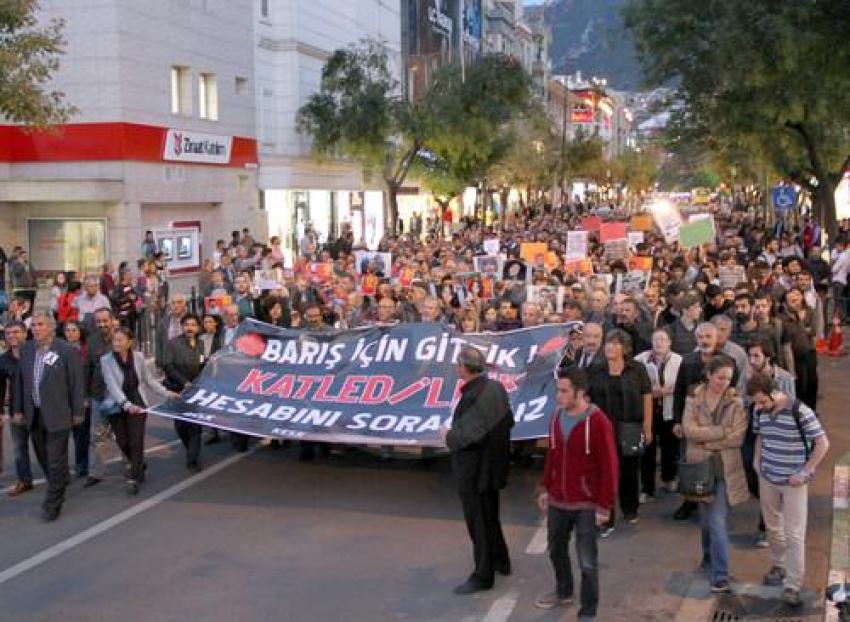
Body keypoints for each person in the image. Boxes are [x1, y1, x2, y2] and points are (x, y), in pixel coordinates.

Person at [534, 367, 618, 619]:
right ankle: (564, 591)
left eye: (563, 391)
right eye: (557, 390)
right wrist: (545, 488)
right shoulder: (556, 417)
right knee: (556, 549)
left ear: (580, 393)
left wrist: (605, 506)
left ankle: (588, 611)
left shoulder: (599, 422)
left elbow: (610, 467)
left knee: (587, 561)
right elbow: (553, 455)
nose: (558, 395)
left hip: (587, 503)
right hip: (559, 500)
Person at [748, 373, 830, 607]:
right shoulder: (759, 410)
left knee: (794, 533)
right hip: (768, 476)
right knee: (773, 527)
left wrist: (804, 472)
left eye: (762, 401)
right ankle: (779, 565)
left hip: (794, 482)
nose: (759, 406)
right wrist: (757, 460)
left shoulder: (799, 410)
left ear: (774, 392)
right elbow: (761, 436)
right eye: (756, 402)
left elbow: (823, 443)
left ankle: (793, 585)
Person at [442, 346, 514, 595]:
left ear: (464, 367)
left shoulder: (473, 396)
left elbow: (467, 436)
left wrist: (448, 435)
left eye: (458, 364)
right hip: (494, 467)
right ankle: (501, 560)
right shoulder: (496, 388)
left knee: (478, 523)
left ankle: (483, 574)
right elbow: (508, 421)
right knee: (490, 516)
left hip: (475, 471)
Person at [681, 355, 748, 594]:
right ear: (708, 375)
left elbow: (738, 437)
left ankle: (720, 575)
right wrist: (721, 432)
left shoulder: (736, 403)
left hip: (723, 469)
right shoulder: (694, 399)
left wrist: (707, 441)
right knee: (706, 518)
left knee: (717, 520)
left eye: (728, 379)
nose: (724, 382)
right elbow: (689, 430)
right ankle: (708, 558)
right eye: (720, 377)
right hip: (700, 467)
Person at [13, 311, 85, 521]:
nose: (36, 328)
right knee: (44, 458)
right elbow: (20, 382)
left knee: (55, 460)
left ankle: (53, 503)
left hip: (58, 414)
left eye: (40, 324)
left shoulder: (65, 351)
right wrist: (18, 409)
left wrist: (78, 411)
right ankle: (59, 481)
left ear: (52, 327)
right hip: (34, 414)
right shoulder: (26, 350)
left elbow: (76, 383)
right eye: (33, 325)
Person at [588, 329, 652, 533]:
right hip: (602, 428)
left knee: (629, 470)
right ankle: (606, 518)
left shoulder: (638, 369)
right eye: (608, 343)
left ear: (625, 349)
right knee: (603, 473)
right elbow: (586, 399)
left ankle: (630, 508)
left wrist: (647, 427)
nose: (610, 347)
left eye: (616, 344)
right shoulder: (595, 370)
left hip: (630, 426)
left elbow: (647, 396)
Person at [101, 327, 178, 494]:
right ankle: (139, 463)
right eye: (114, 340)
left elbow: (148, 380)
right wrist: (126, 405)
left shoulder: (138, 357)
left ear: (129, 342)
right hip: (118, 405)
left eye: (120, 340)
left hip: (138, 403)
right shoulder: (105, 360)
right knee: (123, 442)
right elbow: (112, 386)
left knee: (136, 441)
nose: (116, 343)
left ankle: (134, 477)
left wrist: (166, 393)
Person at [635, 329, 682, 501]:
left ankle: (669, 478)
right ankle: (648, 489)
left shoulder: (678, 361)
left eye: (663, 339)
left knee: (670, 448)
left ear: (669, 342)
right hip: (648, 411)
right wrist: (654, 393)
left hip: (669, 411)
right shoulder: (640, 360)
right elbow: (635, 386)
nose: (659, 343)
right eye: (656, 339)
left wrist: (670, 391)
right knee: (647, 450)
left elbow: (681, 385)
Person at [163, 313, 206, 471]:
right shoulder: (173, 344)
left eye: (193, 325)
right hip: (178, 390)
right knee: (181, 425)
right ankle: (191, 451)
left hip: (196, 390)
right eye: (187, 324)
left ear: (198, 327)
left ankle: (192, 459)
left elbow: (202, 363)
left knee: (195, 425)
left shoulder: (201, 344)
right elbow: (168, 366)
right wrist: (184, 382)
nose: (190, 328)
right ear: (182, 326)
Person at [1, 321, 32, 496]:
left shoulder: (35, 353)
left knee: (44, 446)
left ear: (25, 333)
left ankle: (56, 476)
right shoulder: (3, 360)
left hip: (38, 408)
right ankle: (24, 480)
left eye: (16, 332)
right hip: (15, 410)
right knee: (19, 449)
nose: (12, 336)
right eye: (8, 333)